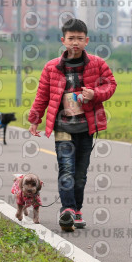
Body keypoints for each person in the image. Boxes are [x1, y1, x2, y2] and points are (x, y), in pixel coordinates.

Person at [28, 18, 117, 232]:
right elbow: (42, 95)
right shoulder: (51, 67)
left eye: (79, 38)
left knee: (80, 175)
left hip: (87, 127)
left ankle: (77, 210)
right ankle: (66, 210)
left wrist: (95, 94)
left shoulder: (97, 63)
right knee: (66, 168)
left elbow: (111, 85)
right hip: (63, 126)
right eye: (71, 38)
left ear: (87, 40)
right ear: (63, 40)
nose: (75, 42)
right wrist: (35, 119)